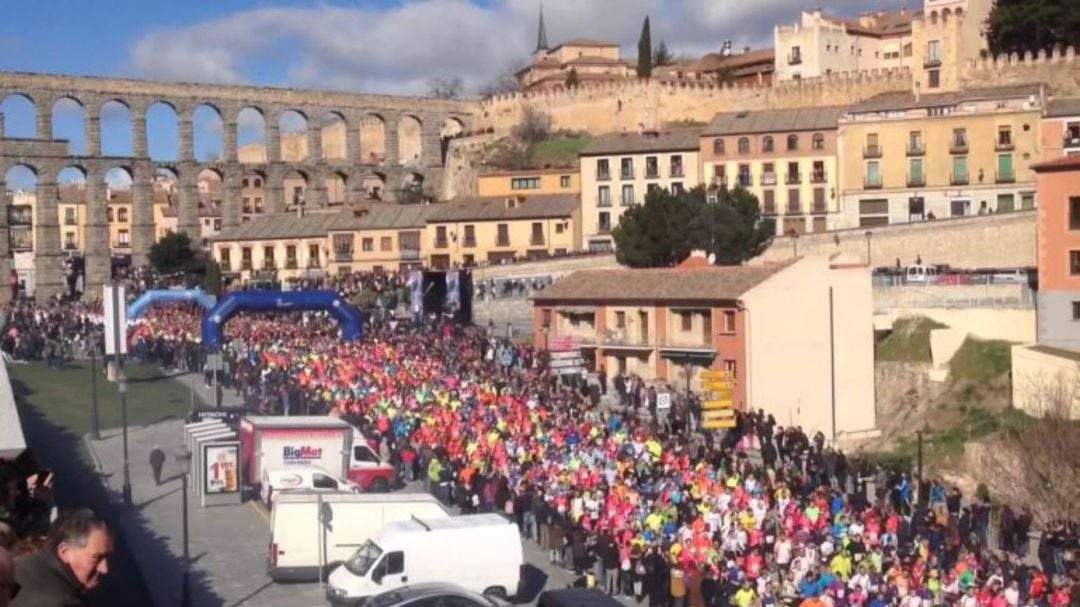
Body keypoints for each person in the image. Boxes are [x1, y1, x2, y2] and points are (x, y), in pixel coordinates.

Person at [12, 509, 114, 607]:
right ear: (64, 551)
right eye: (96, 558)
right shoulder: (64, 602)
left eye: (107, 557)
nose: (104, 569)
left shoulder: (18, 562)